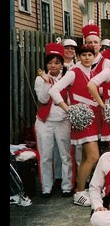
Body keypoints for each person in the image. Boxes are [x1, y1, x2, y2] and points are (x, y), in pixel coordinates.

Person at [49, 44, 101, 207]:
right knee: (93, 157)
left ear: (94, 57)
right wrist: (69, 109)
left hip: (93, 118)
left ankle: (83, 189)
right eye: (83, 55)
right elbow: (54, 91)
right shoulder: (73, 72)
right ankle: (79, 192)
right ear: (78, 56)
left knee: (86, 158)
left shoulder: (91, 72)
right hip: (82, 120)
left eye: (89, 55)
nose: (87, 57)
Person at [34, 42, 73, 198]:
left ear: (62, 63)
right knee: (45, 155)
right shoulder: (40, 79)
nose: (53, 66)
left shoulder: (67, 77)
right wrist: (46, 81)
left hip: (63, 120)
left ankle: (66, 186)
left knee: (64, 154)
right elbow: (43, 99)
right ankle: (46, 187)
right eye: (50, 62)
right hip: (45, 121)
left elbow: (70, 99)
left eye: (57, 62)